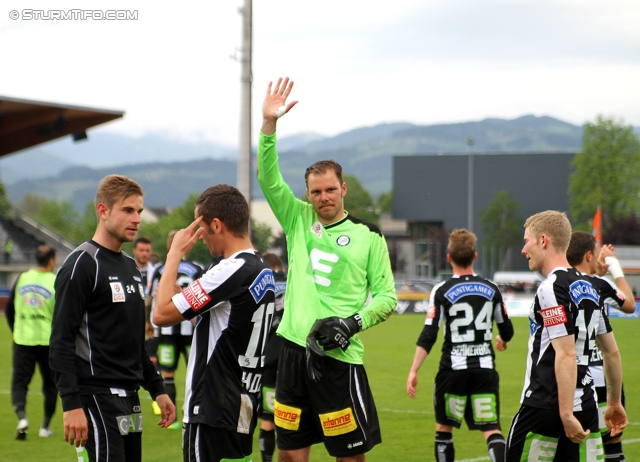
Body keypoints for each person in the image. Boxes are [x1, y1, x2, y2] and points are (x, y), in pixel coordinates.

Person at [256, 77, 397, 462]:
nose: (322, 198)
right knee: (290, 454)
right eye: (315, 192)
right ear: (307, 194)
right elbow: (268, 180)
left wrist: (352, 323)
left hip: (337, 360)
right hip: (291, 353)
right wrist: (269, 126)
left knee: (349, 457)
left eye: (329, 190)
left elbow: (387, 298)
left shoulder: (368, 236)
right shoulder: (298, 219)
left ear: (344, 189)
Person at [49, 174, 175, 461]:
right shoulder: (82, 264)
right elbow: (60, 340)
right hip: (96, 398)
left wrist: (158, 389)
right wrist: (71, 404)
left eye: (139, 211)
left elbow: (135, 341)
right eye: (128, 210)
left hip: (130, 399)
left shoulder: (131, 267)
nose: (137, 219)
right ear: (103, 211)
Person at [152, 183, 276, 462]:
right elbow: (220, 324)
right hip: (243, 404)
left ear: (217, 225)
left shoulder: (230, 269)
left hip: (213, 409)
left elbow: (160, 315)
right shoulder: (261, 268)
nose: (199, 236)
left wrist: (174, 255)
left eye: (201, 227)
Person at [506, 210, 627, 461]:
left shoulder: (551, 287)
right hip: (586, 407)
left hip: (545, 407)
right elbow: (612, 352)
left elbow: (566, 352)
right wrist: (614, 403)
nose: (522, 249)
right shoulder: (590, 288)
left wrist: (564, 413)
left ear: (543, 240)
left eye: (526, 240)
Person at [406, 229, 514, 462]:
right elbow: (507, 330)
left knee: (444, 429)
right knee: (492, 430)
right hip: (484, 370)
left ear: (449, 257)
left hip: (452, 370)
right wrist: (502, 340)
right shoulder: (492, 288)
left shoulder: (441, 291)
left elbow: (429, 334)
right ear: (475, 256)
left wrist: (414, 370)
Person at [566, 232, 635, 462]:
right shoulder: (600, 285)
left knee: (581, 444)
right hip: (603, 376)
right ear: (588, 255)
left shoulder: (561, 285)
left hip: (575, 378)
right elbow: (629, 304)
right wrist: (613, 265)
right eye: (596, 254)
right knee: (613, 441)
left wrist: (597, 269)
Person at [148, 230, 203, 426]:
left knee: (168, 374)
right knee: (194, 373)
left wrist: (147, 322)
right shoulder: (197, 268)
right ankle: (191, 413)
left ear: (168, 246)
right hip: (190, 328)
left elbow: (149, 299)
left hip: (166, 331)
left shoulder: (159, 270)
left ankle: (172, 420)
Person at [5, 245, 58, 440]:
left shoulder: (22, 278)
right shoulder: (55, 281)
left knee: (20, 384)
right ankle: (45, 427)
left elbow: (10, 310)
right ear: (51, 260)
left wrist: (17, 330)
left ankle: (22, 418)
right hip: (48, 342)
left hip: (23, 340)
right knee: (50, 386)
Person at [259, 252, 287, 462]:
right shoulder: (293, 283)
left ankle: (267, 460)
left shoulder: (261, 285)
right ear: (281, 268)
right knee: (292, 416)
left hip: (267, 356)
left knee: (268, 417)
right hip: (293, 356)